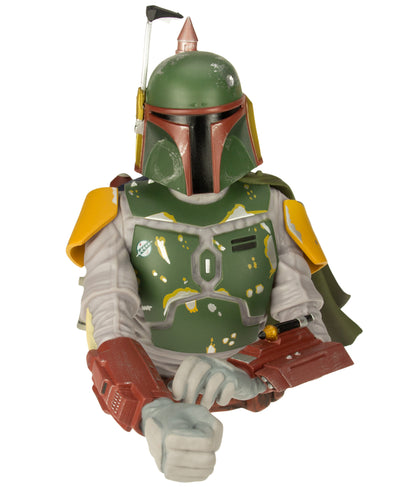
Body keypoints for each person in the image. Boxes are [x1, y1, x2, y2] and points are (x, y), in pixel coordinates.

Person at [67, 17, 361, 483]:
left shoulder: (273, 206)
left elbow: (306, 324)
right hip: (153, 377)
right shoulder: (117, 210)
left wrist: (254, 373)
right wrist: (150, 408)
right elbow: (110, 325)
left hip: (255, 384)